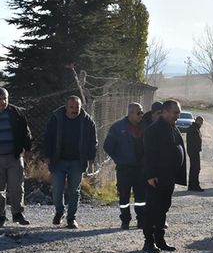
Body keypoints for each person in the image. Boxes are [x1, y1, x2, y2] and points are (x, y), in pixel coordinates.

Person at [44, 95, 98, 229]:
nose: (74, 110)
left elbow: (93, 141)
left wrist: (91, 156)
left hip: (77, 161)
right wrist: (47, 155)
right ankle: (59, 211)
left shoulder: (87, 121)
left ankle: (71, 218)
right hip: (58, 160)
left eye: (77, 107)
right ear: (66, 107)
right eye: (71, 107)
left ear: (81, 107)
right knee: (57, 188)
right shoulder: (56, 118)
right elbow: (48, 138)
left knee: (74, 190)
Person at [142, 100, 186, 253]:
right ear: (165, 112)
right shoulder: (153, 130)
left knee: (163, 209)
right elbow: (147, 154)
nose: (177, 115)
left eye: (179, 112)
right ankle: (149, 242)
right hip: (156, 178)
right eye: (175, 112)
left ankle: (160, 240)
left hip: (168, 176)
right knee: (152, 209)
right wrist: (150, 175)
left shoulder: (172, 127)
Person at [103, 103, 146, 230]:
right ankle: (125, 220)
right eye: (139, 113)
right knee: (124, 195)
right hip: (124, 168)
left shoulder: (144, 127)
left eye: (141, 112)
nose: (141, 115)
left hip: (140, 168)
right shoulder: (118, 127)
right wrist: (119, 159)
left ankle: (141, 220)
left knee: (141, 196)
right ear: (131, 113)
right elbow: (107, 146)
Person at [0, 88, 33, 227]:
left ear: (8, 98)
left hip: (14, 156)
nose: (2, 102)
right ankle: (0, 216)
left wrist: (28, 149)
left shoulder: (16, 113)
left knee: (17, 187)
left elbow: (25, 132)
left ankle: (17, 213)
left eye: (4, 98)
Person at [186, 116, 204, 192]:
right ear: (198, 121)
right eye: (201, 122)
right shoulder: (193, 129)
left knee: (194, 168)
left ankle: (191, 185)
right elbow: (193, 141)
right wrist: (196, 149)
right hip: (194, 151)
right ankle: (195, 185)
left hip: (194, 151)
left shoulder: (195, 128)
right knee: (196, 168)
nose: (201, 124)